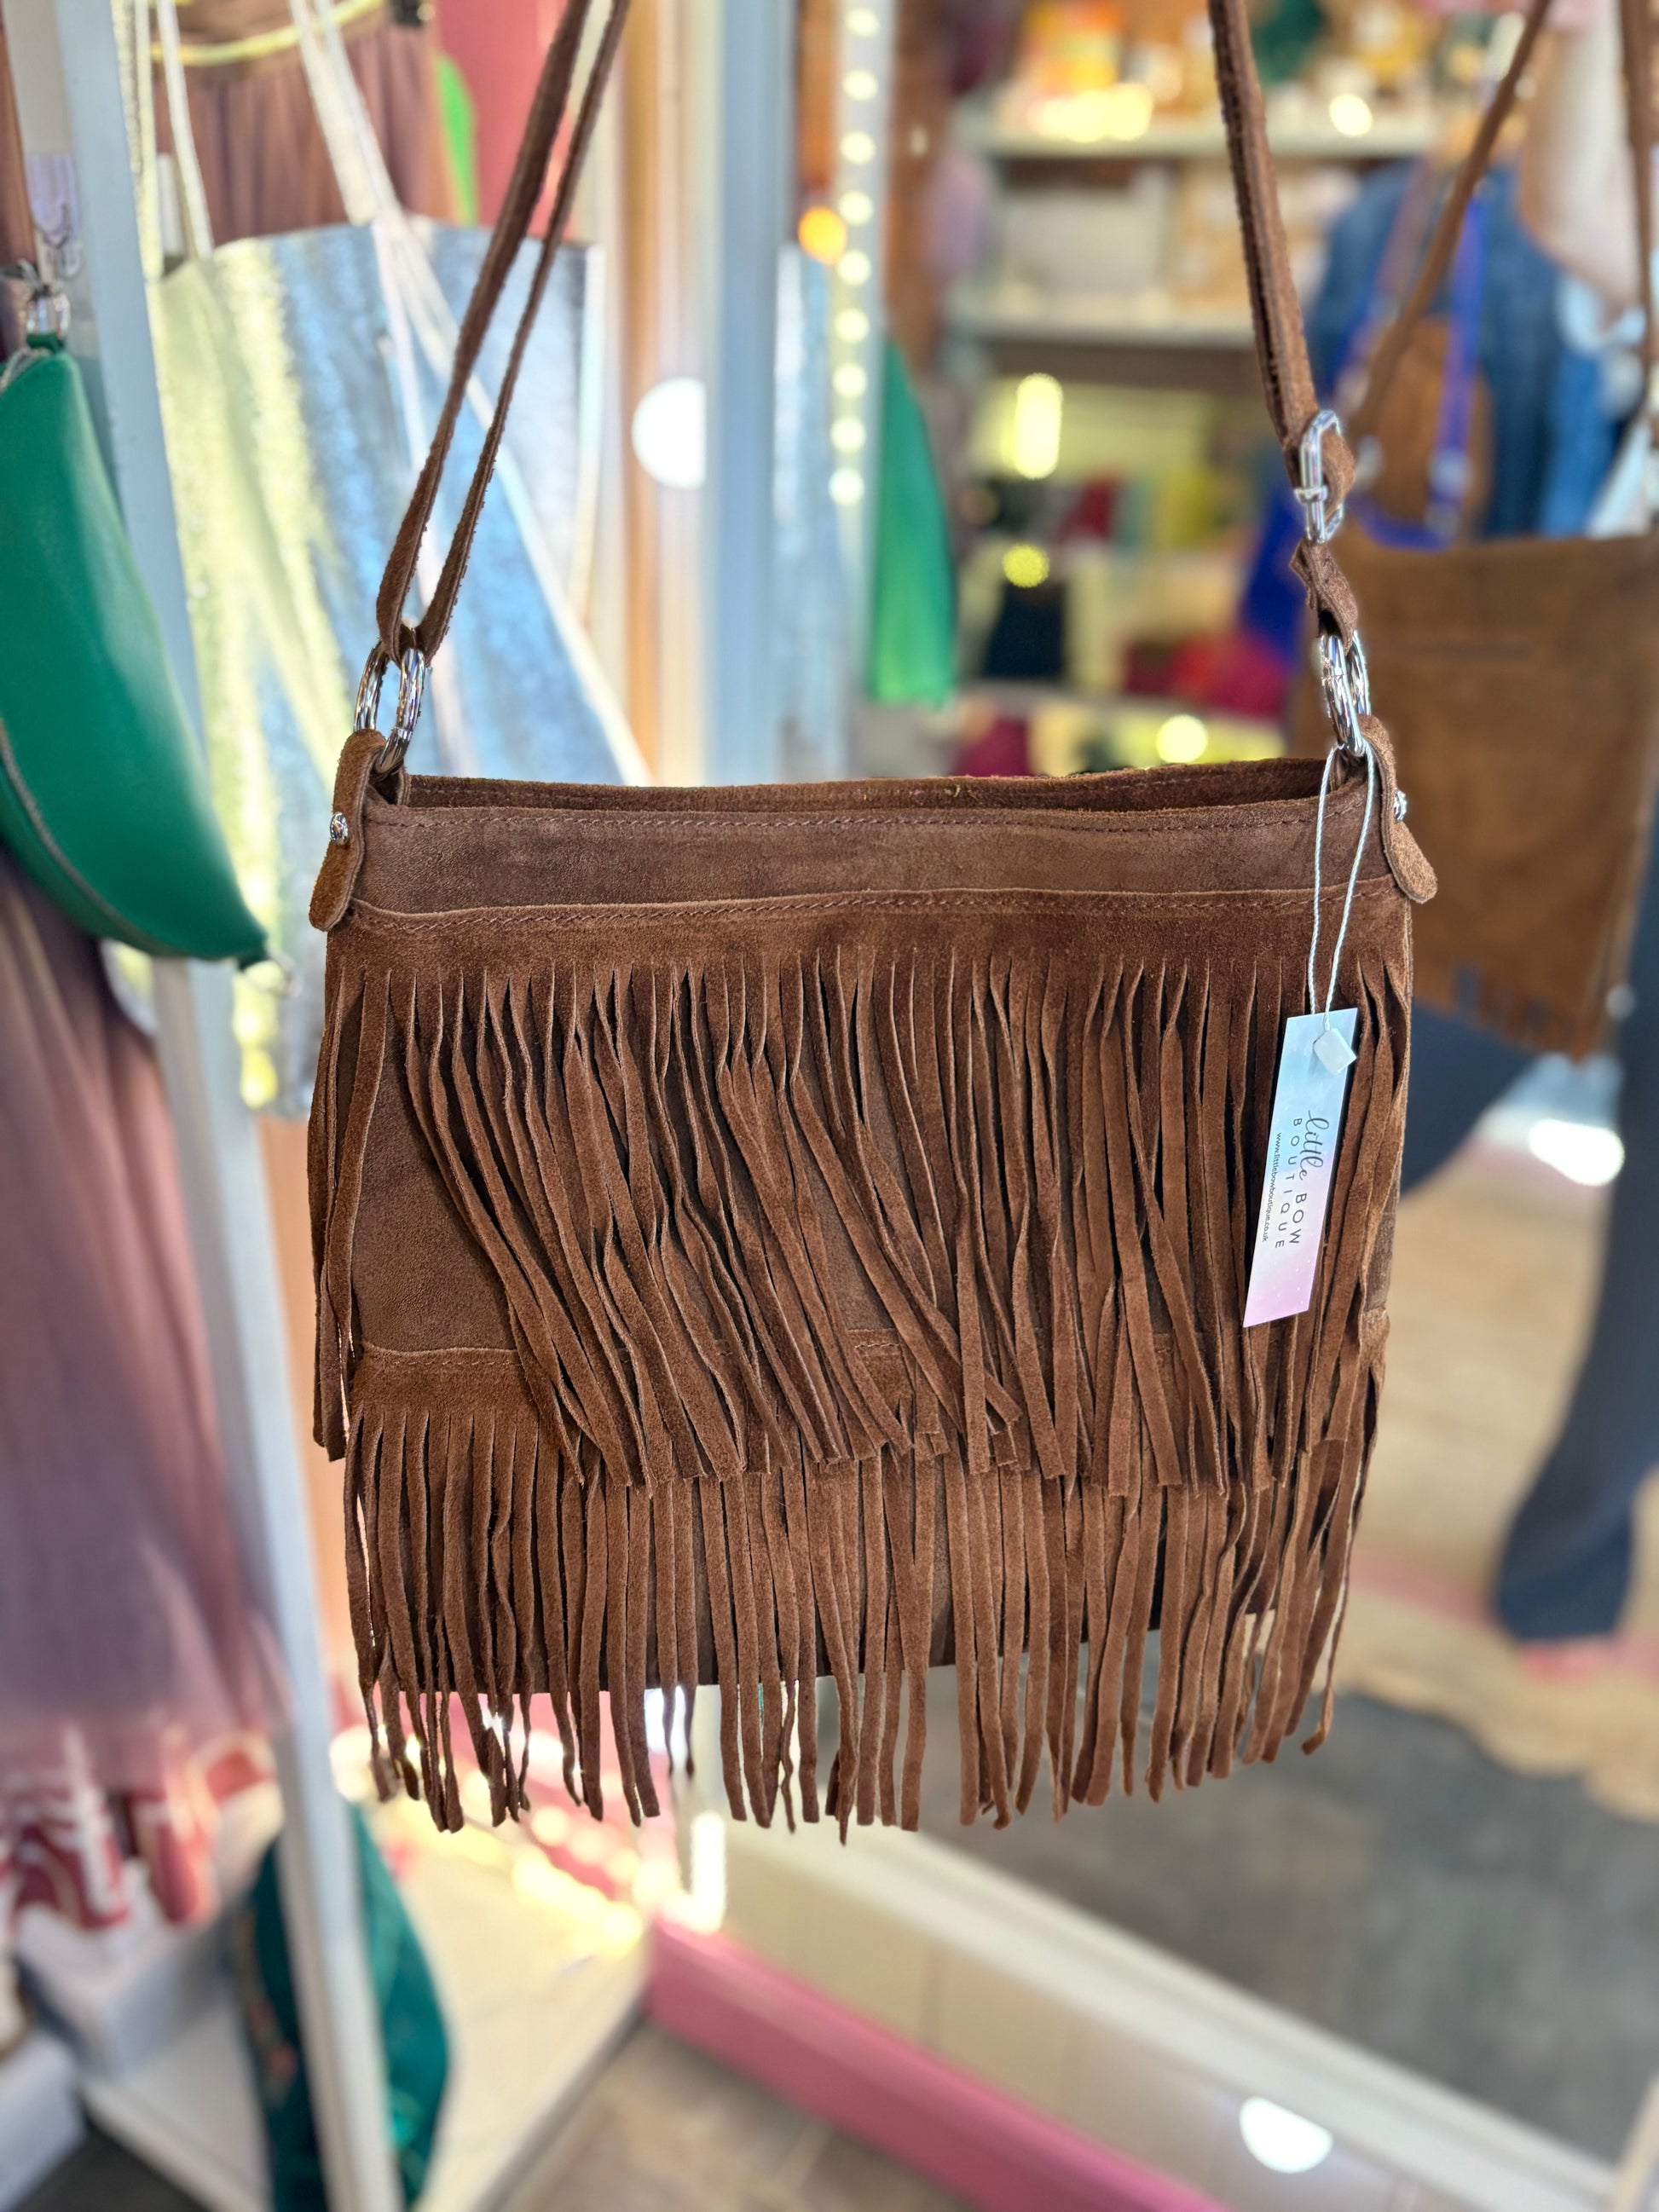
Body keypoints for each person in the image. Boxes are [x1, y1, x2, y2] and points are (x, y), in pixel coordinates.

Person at [1403, 0, 1659, 1651]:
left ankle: (1566, 1568)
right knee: (1423, 1033)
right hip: (1619, 702)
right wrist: (1578, 27)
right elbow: (1582, 222)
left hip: (1615, 696)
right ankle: (1161, 1377)